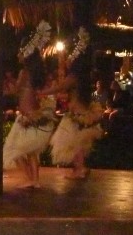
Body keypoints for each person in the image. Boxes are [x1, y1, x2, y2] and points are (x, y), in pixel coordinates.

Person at [41, 27, 105, 179]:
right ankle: (80, 169)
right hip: (81, 112)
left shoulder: (74, 76)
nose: (68, 59)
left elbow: (60, 87)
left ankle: (80, 169)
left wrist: (43, 92)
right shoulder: (83, 77)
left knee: (74, 144)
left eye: (70, 57)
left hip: (77, 115)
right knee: (78, 145)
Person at [2, 21, 57, 188]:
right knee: (30, 153)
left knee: (15, 152)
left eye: (20, 51)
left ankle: (30, 179)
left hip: (27, 117)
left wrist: (8, 82)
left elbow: (16, 91)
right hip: (31, 115)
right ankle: (34, 180)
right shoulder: (33, 72)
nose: (18, 54)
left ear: (26, 53)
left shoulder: (24, 72)